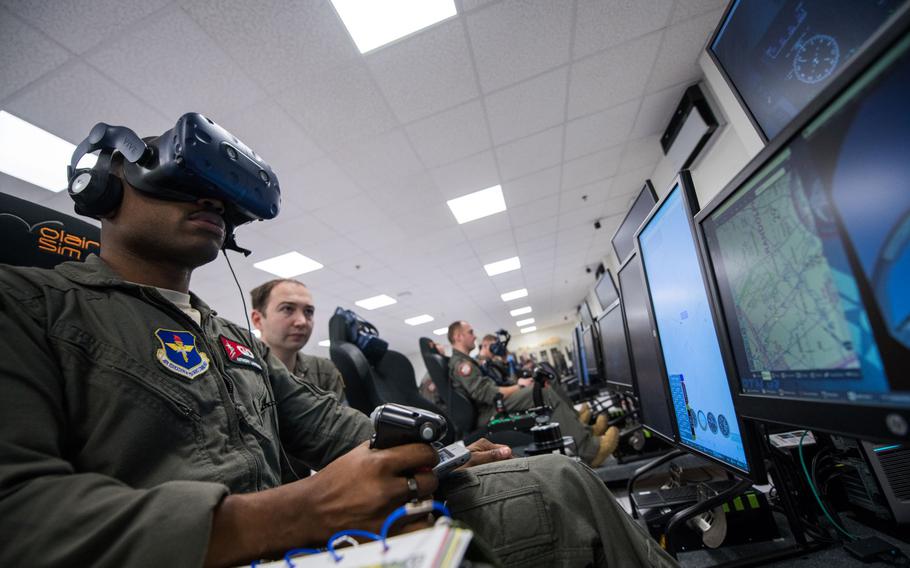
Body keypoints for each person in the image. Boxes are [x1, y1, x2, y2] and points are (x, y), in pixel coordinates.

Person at [0, 118, 677, 568]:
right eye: (183, 182)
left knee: (553, 479)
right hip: (242, 548)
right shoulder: (28, 304)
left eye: (219, 194)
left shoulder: (228, 338)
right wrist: (308, 508)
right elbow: (19, 514)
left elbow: (330, 425)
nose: (209, 202)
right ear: (100, 184)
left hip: (304, 546)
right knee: (560, 486)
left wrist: (440, 458)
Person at [448, 320, 618, 468]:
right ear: (458, 336)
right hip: (490, 410)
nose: (474, 336)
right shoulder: (461, 364)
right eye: (470, 332)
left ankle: (584, 430)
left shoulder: (468, 361)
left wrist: (518, 384)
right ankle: (591, 451)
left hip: (495, 403)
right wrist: (518, 386)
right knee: (542, 392)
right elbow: (486, 393)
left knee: (542, 381)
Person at [250, 278, 346, 402]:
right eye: (287, 309)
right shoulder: (240, 373)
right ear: (258, 320)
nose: (302, 321)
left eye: (308, 311)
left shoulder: (323, 370)